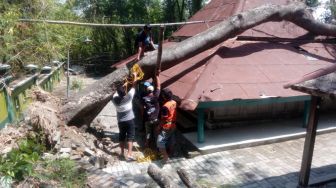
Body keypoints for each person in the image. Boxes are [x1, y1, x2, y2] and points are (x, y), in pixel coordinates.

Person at [111, 72, 138, 161]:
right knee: (130, 137)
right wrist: (134, 76)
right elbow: (134, 85)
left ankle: (122, 153)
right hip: (130, 121)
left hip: (121, 122)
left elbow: (114, 92)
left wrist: (121, 86)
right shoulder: (129, 97)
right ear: (125, 92)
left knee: (122, 137)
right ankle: (129, 154)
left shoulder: (115, 100)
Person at [156, 88, 177, 163]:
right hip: (173, 125)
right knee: (171, 139)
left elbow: (164, 119)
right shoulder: (174, 102)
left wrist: (159, 127)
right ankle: (172, 153)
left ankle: (165, 158)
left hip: (167, 126)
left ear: (164, 96)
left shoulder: (165, 106)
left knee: (160, 142)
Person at [141, 71, 161, 148]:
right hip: (155, 119)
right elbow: (159, 86)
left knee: (148, 133)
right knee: (156, 133)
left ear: (147, 90)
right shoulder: (155, 96)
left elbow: (142, 109)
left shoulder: (144, 98)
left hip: (147, 119)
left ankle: (147, 146)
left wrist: (143, 116)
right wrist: (157, 76)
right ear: (153, 91)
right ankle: (158, 148)